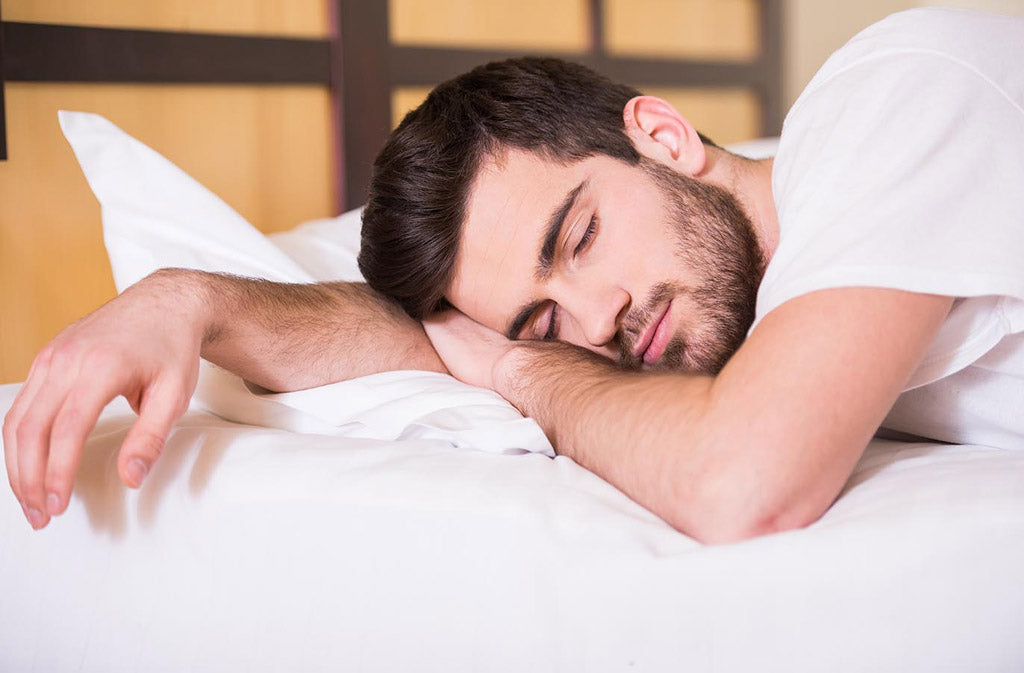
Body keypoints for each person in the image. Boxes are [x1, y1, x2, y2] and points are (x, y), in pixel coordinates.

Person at [4, 8, 1023, 541]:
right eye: (540, 322)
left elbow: (740, 483)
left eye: (577, 237)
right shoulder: (774, 307)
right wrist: (190, 300)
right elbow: (426, 348)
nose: (599, 319)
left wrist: (525, 371)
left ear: (662, 135)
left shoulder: (894, 96)